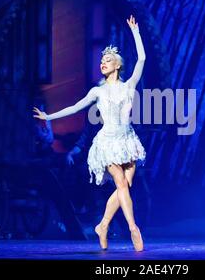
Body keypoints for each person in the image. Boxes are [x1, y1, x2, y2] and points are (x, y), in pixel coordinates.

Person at [33, 15, 146, 251]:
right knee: (121, 184)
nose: (102, 63)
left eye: (107, 60)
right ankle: (134, 228)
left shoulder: (129, 86)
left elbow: (142, 58)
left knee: (125, 185)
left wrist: (135, 32)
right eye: (101, 60)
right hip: (108, 142)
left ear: (117, 65)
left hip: (127, 140)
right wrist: (49, 117)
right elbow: (75, 107)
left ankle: (102, 225)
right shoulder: (98, 92)